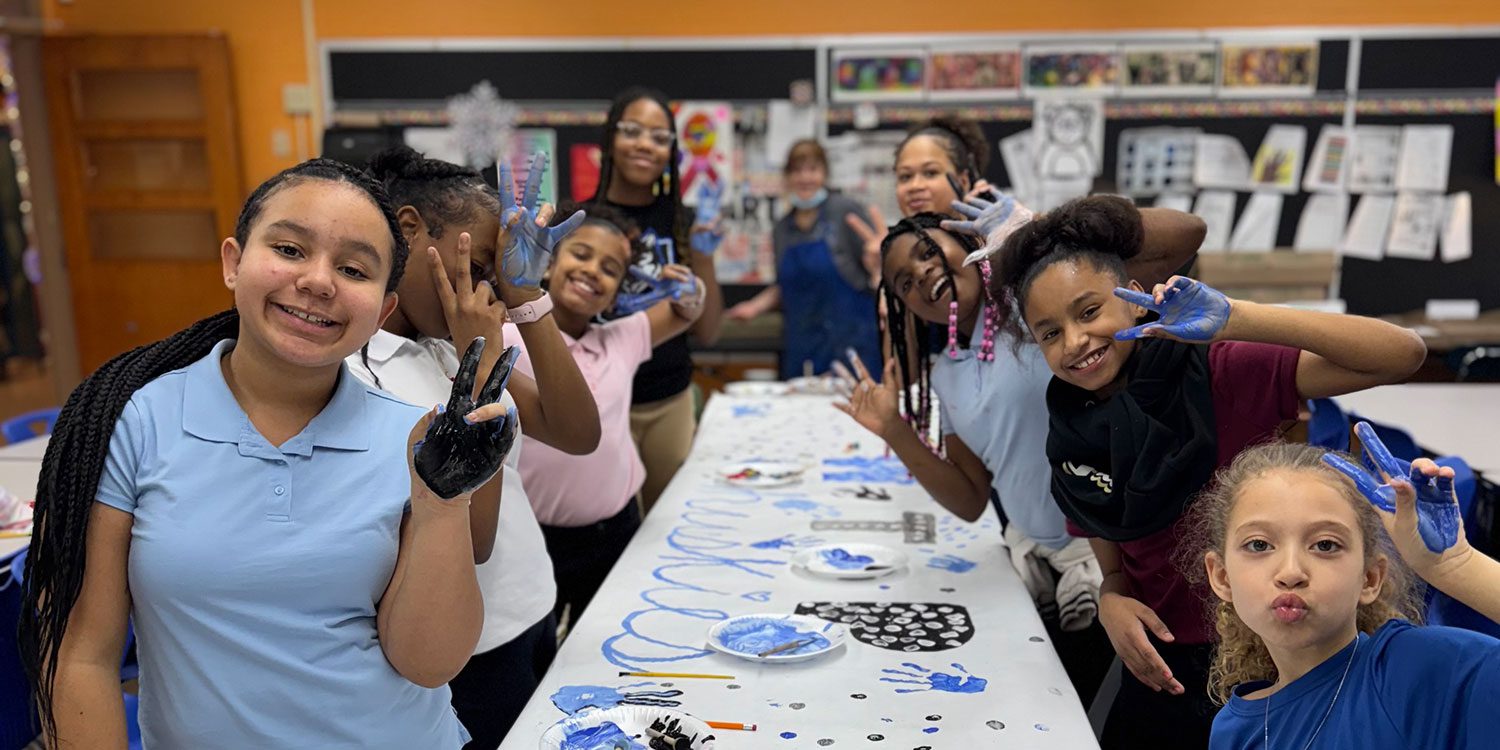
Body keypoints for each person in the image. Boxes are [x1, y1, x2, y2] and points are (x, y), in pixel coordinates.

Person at [20, 159, 506, 747]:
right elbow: (82, 658)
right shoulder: (136, 421)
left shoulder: (415, 439)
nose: (319, 281)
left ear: (381, 311)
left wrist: (443, 506)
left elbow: (428, 663)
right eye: (290, 249)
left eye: (354, 268)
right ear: (233, 262)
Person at [996, 197, 1428, 748]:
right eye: (1048, 333)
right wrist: (1111, 599)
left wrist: (1238, 317)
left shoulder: (1215, 368)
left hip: (1278, 657)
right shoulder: (1072, 421)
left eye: (1088, 312)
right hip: (1166, 666)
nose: (1075, 342)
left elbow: (1400, 354)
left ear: (1133, 299)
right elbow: (1112, 554)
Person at [835, 200, 1203, 706]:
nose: (919, 275)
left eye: (925, 252)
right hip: (1029, 559)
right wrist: (897, 433)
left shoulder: (1036, 309)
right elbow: (969, 498)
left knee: (1092, 704)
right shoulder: (946, 371)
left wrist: (1040, 227)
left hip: (1104, 558)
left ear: (965, 246)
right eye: (901, 282)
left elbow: (1188, 235)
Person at [353, 146, 601, 747]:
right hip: (473, 652)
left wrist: (527, 299)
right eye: (483, 264)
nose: (487, 288)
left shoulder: (445, 342)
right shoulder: (364, 371)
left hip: (535, 610)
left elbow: (577, 432)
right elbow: (474, 542)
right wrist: (479, 359)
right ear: (408, 230)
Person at [1194, 440, 1500, 749]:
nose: (1290, 573)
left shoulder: (1415, 673)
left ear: (1370, 578)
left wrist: (1457, 566)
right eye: (1259, 545)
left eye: (1325, 545)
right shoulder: (1232, 732)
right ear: (1221, 577)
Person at [512, 202, 703, 630]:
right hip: (532, 537)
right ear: (548, 263)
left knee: (603, 641)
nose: (593, 270)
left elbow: (688, 310)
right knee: (539, 648)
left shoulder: (623, 337)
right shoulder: (506, 333)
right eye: (581, 255)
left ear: (620, 290)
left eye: (611, 268)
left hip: (615, 531)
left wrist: (690, 289)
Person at [591, 87, 724, 512]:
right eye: (633, 131)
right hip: (603, 405)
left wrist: (703, 258)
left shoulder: (685, 223)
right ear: (611, 138)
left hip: (670, 400)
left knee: (669, 524)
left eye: (660, 136)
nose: (645, 144)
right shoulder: (581, 222)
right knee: (611, 528)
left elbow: (708, 331)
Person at [726, 139, 880, 378]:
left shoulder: (844, 213)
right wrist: (754, 307)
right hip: (803, 347)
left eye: (813, 169)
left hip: (853, 344)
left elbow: (876, 270)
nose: (805, 178)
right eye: (797, 170)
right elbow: (784, 286)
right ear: (787, 177)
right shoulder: (782, 230)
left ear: (825, 174)